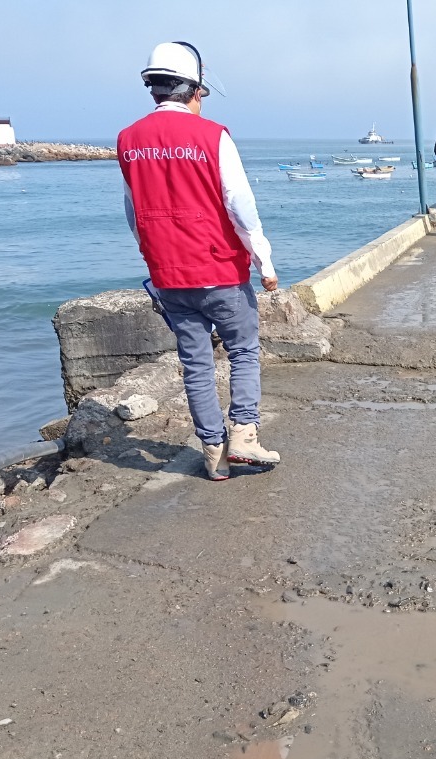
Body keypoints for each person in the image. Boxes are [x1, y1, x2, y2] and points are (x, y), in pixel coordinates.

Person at [118, 41, 279, 482]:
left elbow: (133, 212)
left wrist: (154, 256)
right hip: (220, 271)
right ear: (193, 90)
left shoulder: (128, 140)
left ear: (154, 88)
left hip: (168, 276)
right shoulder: (213, 136)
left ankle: (214, 453)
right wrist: (264, 260)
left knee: (195, 364)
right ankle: (244, 436)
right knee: (243, 350)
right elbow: (240, 206)